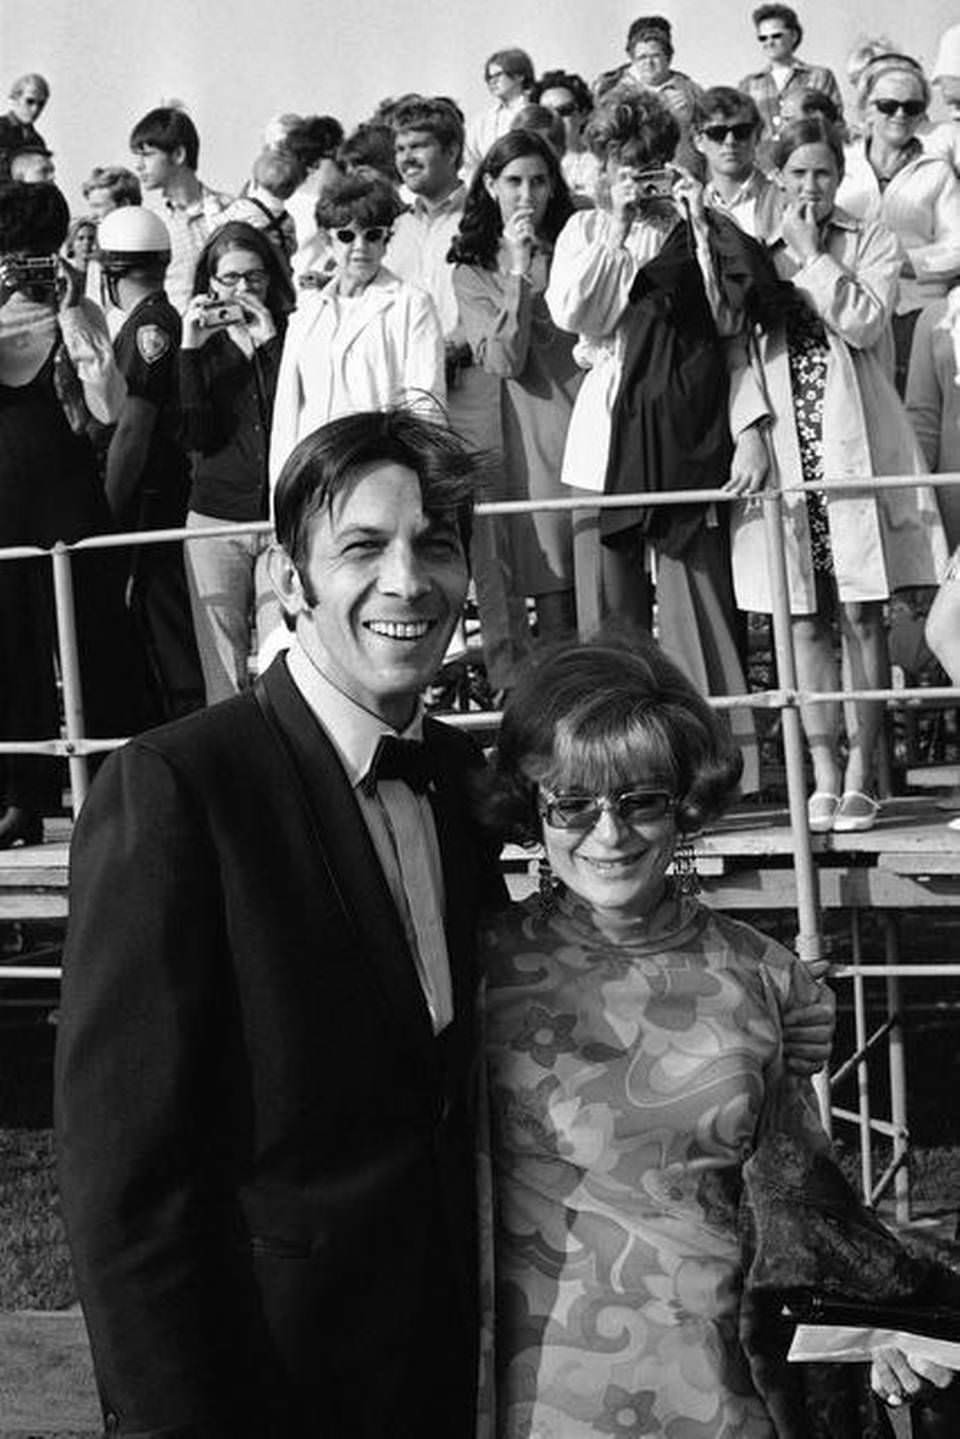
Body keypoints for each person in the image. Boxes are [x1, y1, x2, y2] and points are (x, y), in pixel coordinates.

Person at [56, 408, 504, 1437]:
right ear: (287, 575)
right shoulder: (177, 785)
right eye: (363, 546)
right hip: (260, 1390)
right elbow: (122, 1173)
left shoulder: (451, 777)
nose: (407, 581)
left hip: (441, 1381)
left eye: (436, 545)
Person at [481, 635, 839, 1435]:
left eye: (641, 798)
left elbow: (805, 1208)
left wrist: (883, 1329)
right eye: (573, 802)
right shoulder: (476, 967)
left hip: (723, 1404)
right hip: (535, 1409)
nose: (608, 834)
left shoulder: (764, 973)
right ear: (535, 808)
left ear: (686, 799)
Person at [727, 117, 948, 834]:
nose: (811, 187)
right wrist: (751, 431)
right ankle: (821, 772)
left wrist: (814, 257)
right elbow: (742, 357)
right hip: (791, 454)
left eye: (823, 173)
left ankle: (862, 775)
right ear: (780, 177)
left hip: (853, 448)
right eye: (797, 174)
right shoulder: (756, 253)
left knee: (861, 613)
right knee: (804, 618)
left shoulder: (870, 239)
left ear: (838, 174)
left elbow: (863, 320)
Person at [545, 89, 760, 788]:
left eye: (652, 160)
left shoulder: (700, 223)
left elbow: (728, 315)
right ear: (603, 164)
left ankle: (723, 766)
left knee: (697, 595)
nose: (641, 173)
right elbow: (577, 311)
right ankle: (615, 768)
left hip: (682, 429)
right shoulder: (584, 230)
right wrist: (613, 222)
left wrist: (697, 216)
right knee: (610, 615)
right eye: (626, 161)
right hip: (603, 437)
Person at [0, 181, 146, 846]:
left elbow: (111, 407)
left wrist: (69, 310)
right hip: (3, 496)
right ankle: (19, 797)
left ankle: (113, 787)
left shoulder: (81, 312)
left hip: (67, 491)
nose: (21, 265)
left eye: (33, 251)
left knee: (94, 635)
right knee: (7, 642)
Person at [386, 94, 533, 694]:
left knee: (488, 548)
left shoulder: (479, 221)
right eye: (399, 149)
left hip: (472, 391)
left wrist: (444, 347)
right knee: (416, 543)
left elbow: (487, 311)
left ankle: (506, 684)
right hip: (408, 402)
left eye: (418, 147)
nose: (406, 158)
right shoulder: (390, 228)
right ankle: (430, 678)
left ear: (452, 150)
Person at [450, 129, 580, 640]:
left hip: (589, 429)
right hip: (531, 442)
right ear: (489, 185)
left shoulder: (576, 243)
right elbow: (503, 358)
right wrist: (519, 273)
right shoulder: (472, 270)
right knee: (553, 603)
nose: (527, 196)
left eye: (539, 182)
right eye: (514, 181)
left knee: (598, 594)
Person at [268, 170, 445, 488]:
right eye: (347, 236)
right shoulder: (306, 313)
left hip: (380, 476)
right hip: (313, 479)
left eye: (373, 235)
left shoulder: (412, 304)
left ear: (386, 239)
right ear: (327, 240)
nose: (361, 246)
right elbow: (286, 418)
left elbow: (426, 406)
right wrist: (279, 502)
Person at [180, 221, 295, 703]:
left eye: (254, 277)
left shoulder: (290, 331)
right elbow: (194, 436)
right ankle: (228, 771)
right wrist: (189, 351)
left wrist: (269, 344)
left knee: (280, 659)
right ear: (210, 282)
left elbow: (294, 415)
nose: (243, 289)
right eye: (230, 279)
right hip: (214, 519)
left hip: (279, 517)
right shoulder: (200, 346)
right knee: (222, 672)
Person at [97, 204, 205, 720]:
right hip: (155, 496)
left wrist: (108, 508)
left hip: (150, 501)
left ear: (111, 272)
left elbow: (133, 430)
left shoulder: (151, 327)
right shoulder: (152, 321)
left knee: (163, 630)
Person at [836, 52, 960, 393]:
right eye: (888, 105)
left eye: (912, 107)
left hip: (917, 310)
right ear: (865, 110)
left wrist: (902, 262)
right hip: (851, 309)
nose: (901, 114)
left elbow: (957, 247)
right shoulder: (840, 167)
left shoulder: (938, 171)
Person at [129, 105, 233, 313]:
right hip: (175, 336)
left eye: (147, 154)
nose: (138, 165)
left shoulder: (231, 211)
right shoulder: (152, 224)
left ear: (178, 154)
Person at [739, 5, 843, 170]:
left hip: (808, 165)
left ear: (794, 36)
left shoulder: (819, 76)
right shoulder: (749, 85)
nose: (769, 43)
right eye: (763, 38)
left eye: (776, 36)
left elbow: (833, 126)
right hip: (764, 171)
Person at [593, 15, 703, 173]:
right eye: (642, 57)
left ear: (668, 57)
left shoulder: (691, 90)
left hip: (682, 173)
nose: (649, 63)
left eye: (655, 56)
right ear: (633, 60)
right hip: (633, 173)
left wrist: (691, 112)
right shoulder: (615, 92)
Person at [693, 86, 782, 240]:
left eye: (742, 132)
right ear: (699, 141)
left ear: (757, 136)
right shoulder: (694, 207)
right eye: (717, 133)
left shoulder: (782, 201)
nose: (730, 142)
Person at [215, 146, 305, 272]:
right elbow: (293, 247)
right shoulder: (288, 220)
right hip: (278, 278)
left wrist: (211, 208)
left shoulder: (244, 207)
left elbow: (216, 227)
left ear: (254, 182)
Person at [531, 68, 600, 201]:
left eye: (564, 110)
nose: (555, 119)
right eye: (546, 113)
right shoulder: (531, 164)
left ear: (583, 114)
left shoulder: (603, 160)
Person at [463, 48, 535, 176]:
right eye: (489, 77)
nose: (492, 81)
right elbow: (469, 162)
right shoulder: (482, 122)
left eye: (498, 75)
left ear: (519, 76)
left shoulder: (535, 114)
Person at [0, 73, 49, 181]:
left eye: (41, 104)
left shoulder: (37, 141)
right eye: (30, 101)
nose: (35, 109)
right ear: (15, 99)